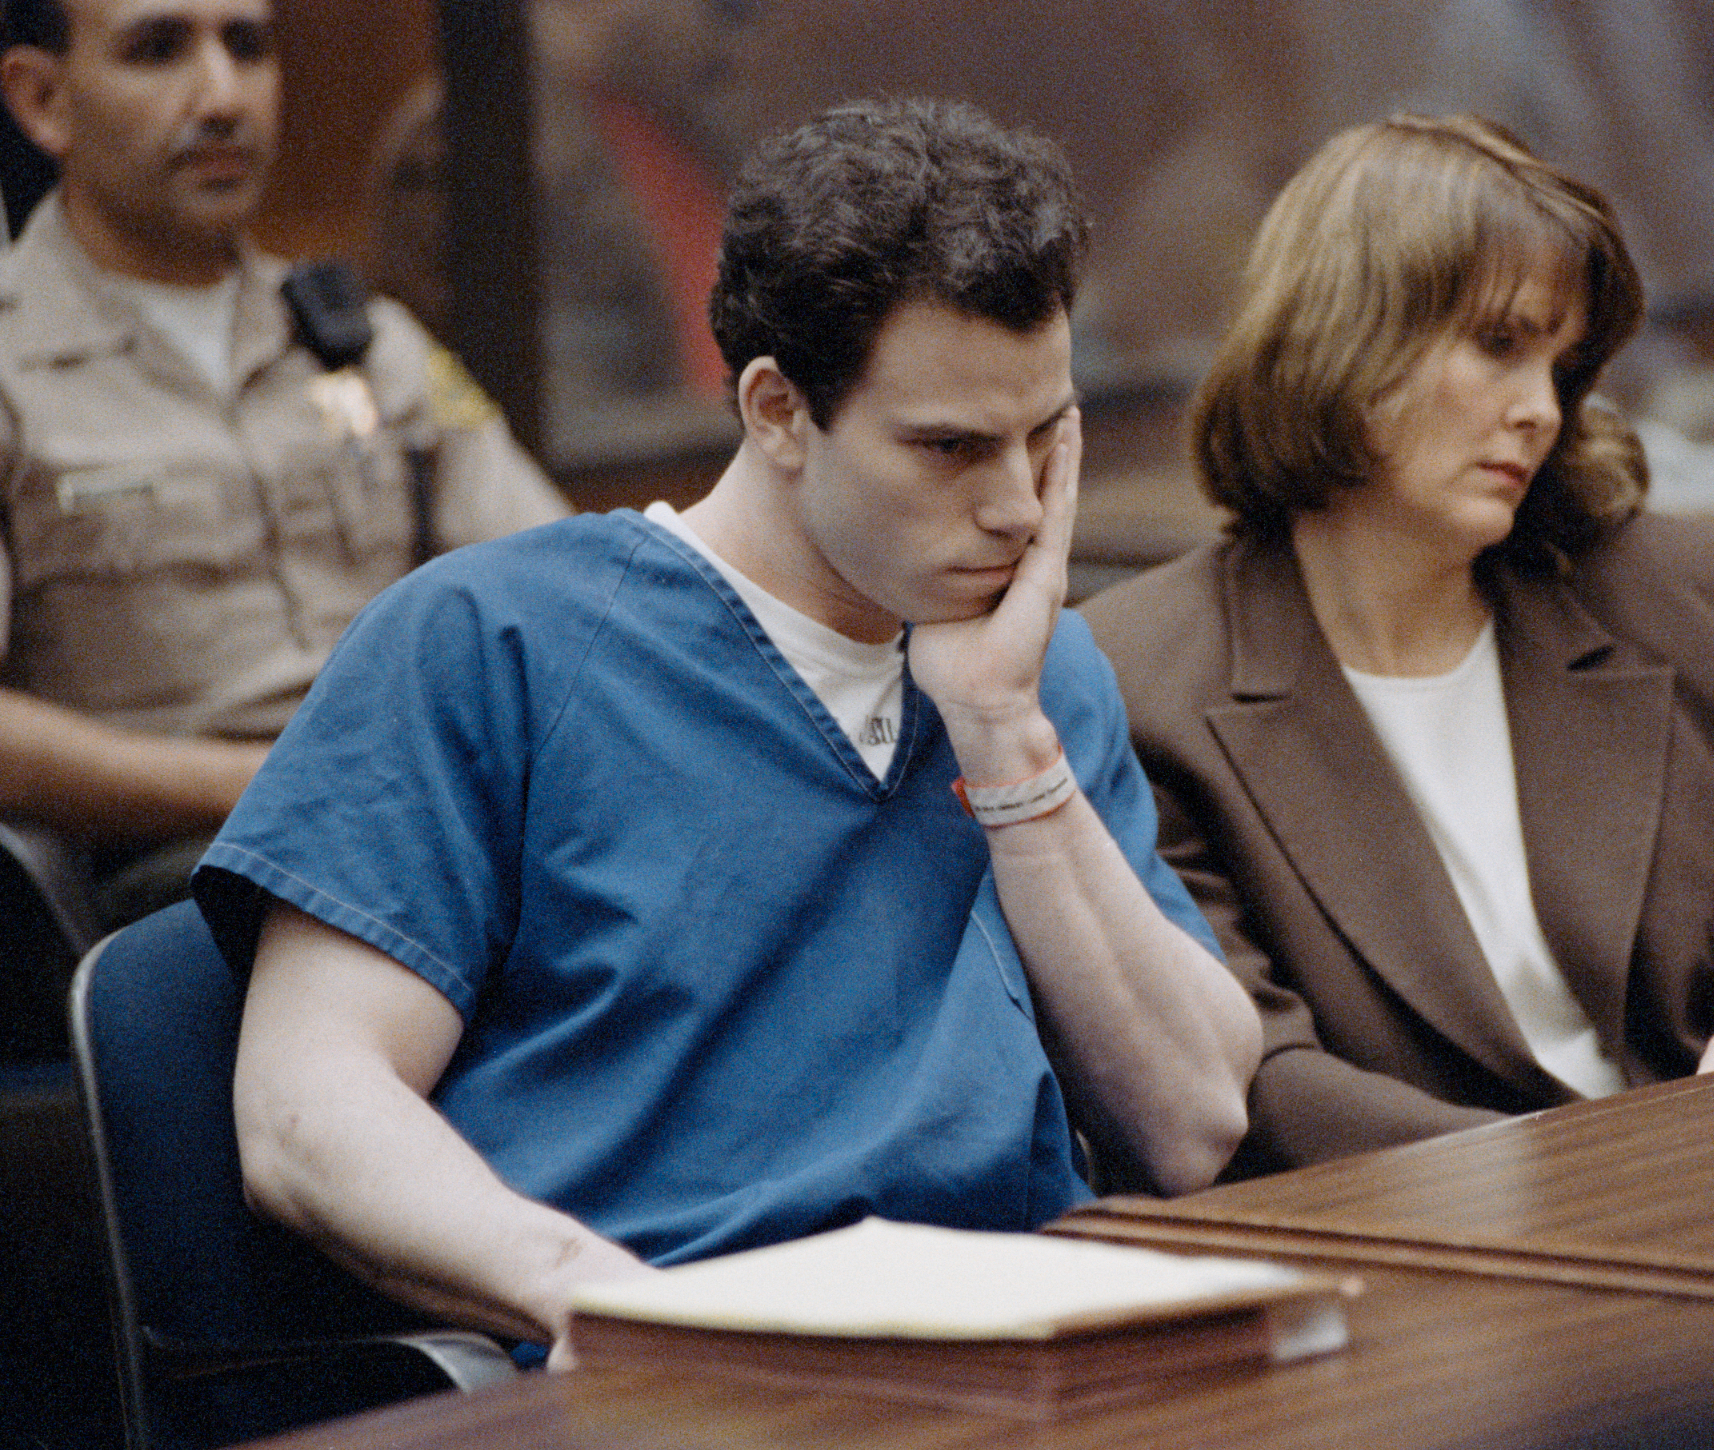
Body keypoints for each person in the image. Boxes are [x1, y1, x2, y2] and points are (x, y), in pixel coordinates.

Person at [203, 97, 1259, 1367]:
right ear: (775, 410)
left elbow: (1194, 1123)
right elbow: (306, 1110)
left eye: (1046, 438)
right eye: (949, 448)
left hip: (1021, 1347)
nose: (1019, 508)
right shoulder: (491, 642)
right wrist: (591, 1293)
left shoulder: (1034, 677)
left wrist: (1001, 733)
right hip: (668, 1343)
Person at [1081, 114, 1714, 1178]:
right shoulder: (1133, 676)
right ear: (1347, 336)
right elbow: (1260, 1085)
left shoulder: (1704, 603)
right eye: (1497, 346)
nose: (1540, 409)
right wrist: (1603, 1170)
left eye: (1561, 362)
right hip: (1413, 1253)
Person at [0, 0, 569, 928]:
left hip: (434, 821)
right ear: (43, 100)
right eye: (159, 49)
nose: (222, 96)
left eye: (248, 45)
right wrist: (266, 783)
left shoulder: (369, 343)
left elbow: (568, 593)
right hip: (186, 872)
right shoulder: (11, 370)